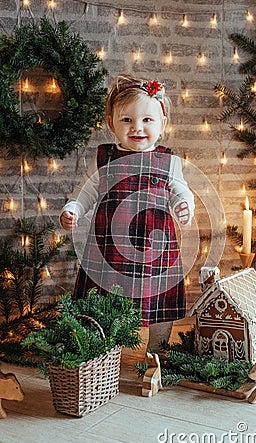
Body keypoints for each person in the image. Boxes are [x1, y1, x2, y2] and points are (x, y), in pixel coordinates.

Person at [60, 74, 194, 353]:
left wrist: (184, 205)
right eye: (127, 120)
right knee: (104, 298)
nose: (137, 128)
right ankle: (102, 349)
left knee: (158, 301)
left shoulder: (168, 161)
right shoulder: (104, 158)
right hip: (109, 247)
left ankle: (157, 349)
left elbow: (181, 190)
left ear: (163, 124)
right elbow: (84, 193)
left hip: (155, 246)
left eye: (147, 120)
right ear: (111, 123)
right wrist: (72, 209)